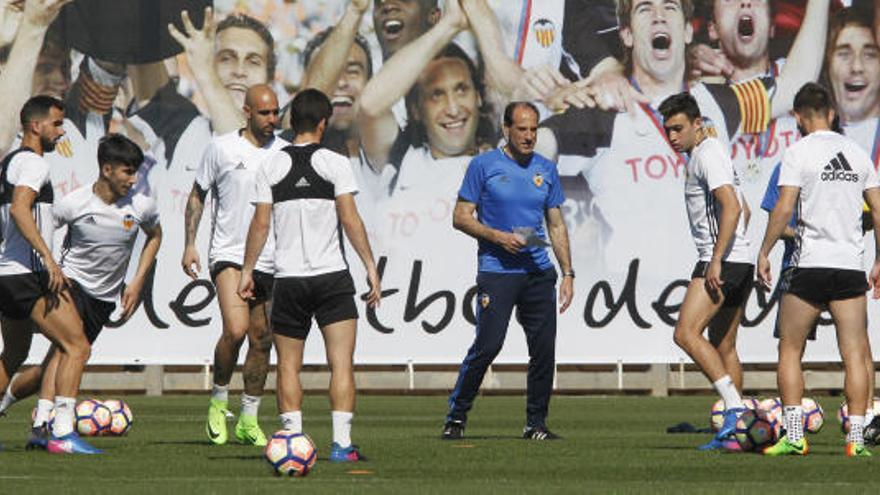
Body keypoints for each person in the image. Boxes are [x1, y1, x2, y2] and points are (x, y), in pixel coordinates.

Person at [238, 88, 381, 462]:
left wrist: (247, 270)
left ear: (290, 122)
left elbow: (260, 223)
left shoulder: (270, 165)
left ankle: (292, 440)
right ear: (323, 123)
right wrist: (370, 267)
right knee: (341, 363)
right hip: (331, 276)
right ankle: (342, 445)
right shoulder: (335, 162)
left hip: (289, 280)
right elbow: (350, 219)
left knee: (287, 365)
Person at [3, 134, 160, 451]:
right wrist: (48, 265)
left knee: (52, 363)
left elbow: (155, 236)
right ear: (106, 169)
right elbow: (43, 226)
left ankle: (27, 416)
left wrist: (137, 280)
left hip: (103, 299)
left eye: (136, 172)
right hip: (70, 286)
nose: (133, 179)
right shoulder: (74, 203)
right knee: (68, 351)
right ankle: (53, 429)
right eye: (127, 172)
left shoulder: (142, 206)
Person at [758, 82, 880, 457]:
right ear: (831, 112)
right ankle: (856, 440)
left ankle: (795, 435)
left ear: (797, 116)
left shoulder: (797, 152)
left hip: (808, 264)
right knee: (856, 354)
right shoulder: (858, 154)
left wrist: (764, 250)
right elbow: (878, 210)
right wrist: (879, 260)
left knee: (790, 350)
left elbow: (782, 208)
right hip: (848, 268)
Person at [443, 101, 574, 441]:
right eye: (522, 129)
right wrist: (497, 237)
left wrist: (568, 273)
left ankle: (536, 424)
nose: (529, 136)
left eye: (533, 129)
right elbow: (460, 217)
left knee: (544, 349)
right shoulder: (483, 165)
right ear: (506, 129)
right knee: (488, 346)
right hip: (497, 271)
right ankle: (456, 417)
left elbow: (556, 225)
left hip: (538, 272)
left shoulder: (546, 168)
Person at [182, 84, 289, 447]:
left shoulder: (286, 153)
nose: (272, 119)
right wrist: (189, 244)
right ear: (247, 112)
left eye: (276, 112)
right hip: (228, 254)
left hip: (271, 258)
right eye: (265, 113)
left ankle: (248, 417)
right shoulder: (222, 148)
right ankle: (217, 401)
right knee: (238, 329)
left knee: (263, 338)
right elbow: (198, 195)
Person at [0, 95, 96, 454]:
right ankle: (61, 433)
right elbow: (20, 209)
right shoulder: (33, 165)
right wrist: (49, 260)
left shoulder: (9, 162)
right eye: (56, 124)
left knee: (13, 354)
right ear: (35, 126)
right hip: (29, 273)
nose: (61, 132)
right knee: (76, 345)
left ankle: (48, 429)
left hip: (7, 274)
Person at [658, 92, 754, 450]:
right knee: (724, 346)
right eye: (667, 130)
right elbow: (745, 209)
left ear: (698, 124)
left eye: (678, 128)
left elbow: (731, 206)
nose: (672, 137)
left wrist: (715, 258)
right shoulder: (712, 152)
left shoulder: (707, 154)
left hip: (722, 262)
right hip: (737, 260)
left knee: (685, 333)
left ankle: (734, 409)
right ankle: (739, 431)